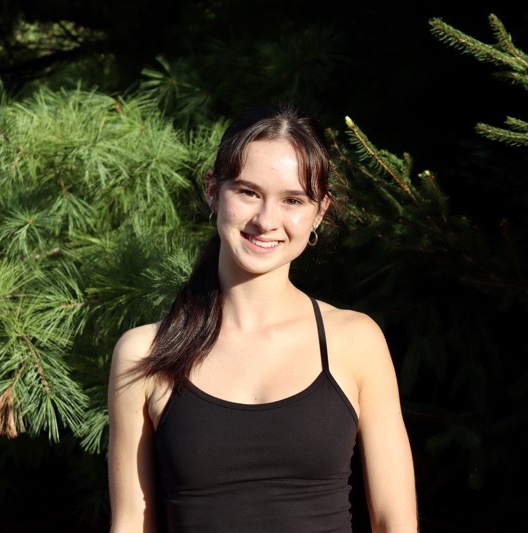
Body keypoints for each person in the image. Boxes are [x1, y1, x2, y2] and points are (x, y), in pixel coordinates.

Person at [107, 102, 418, 532]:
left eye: (293, 199)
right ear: (213, 191)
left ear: (320, 212)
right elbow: (130, 524)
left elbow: (395, 522)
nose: (266, 220)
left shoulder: (356, 341)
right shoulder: (144, 354)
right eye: (248, 192)